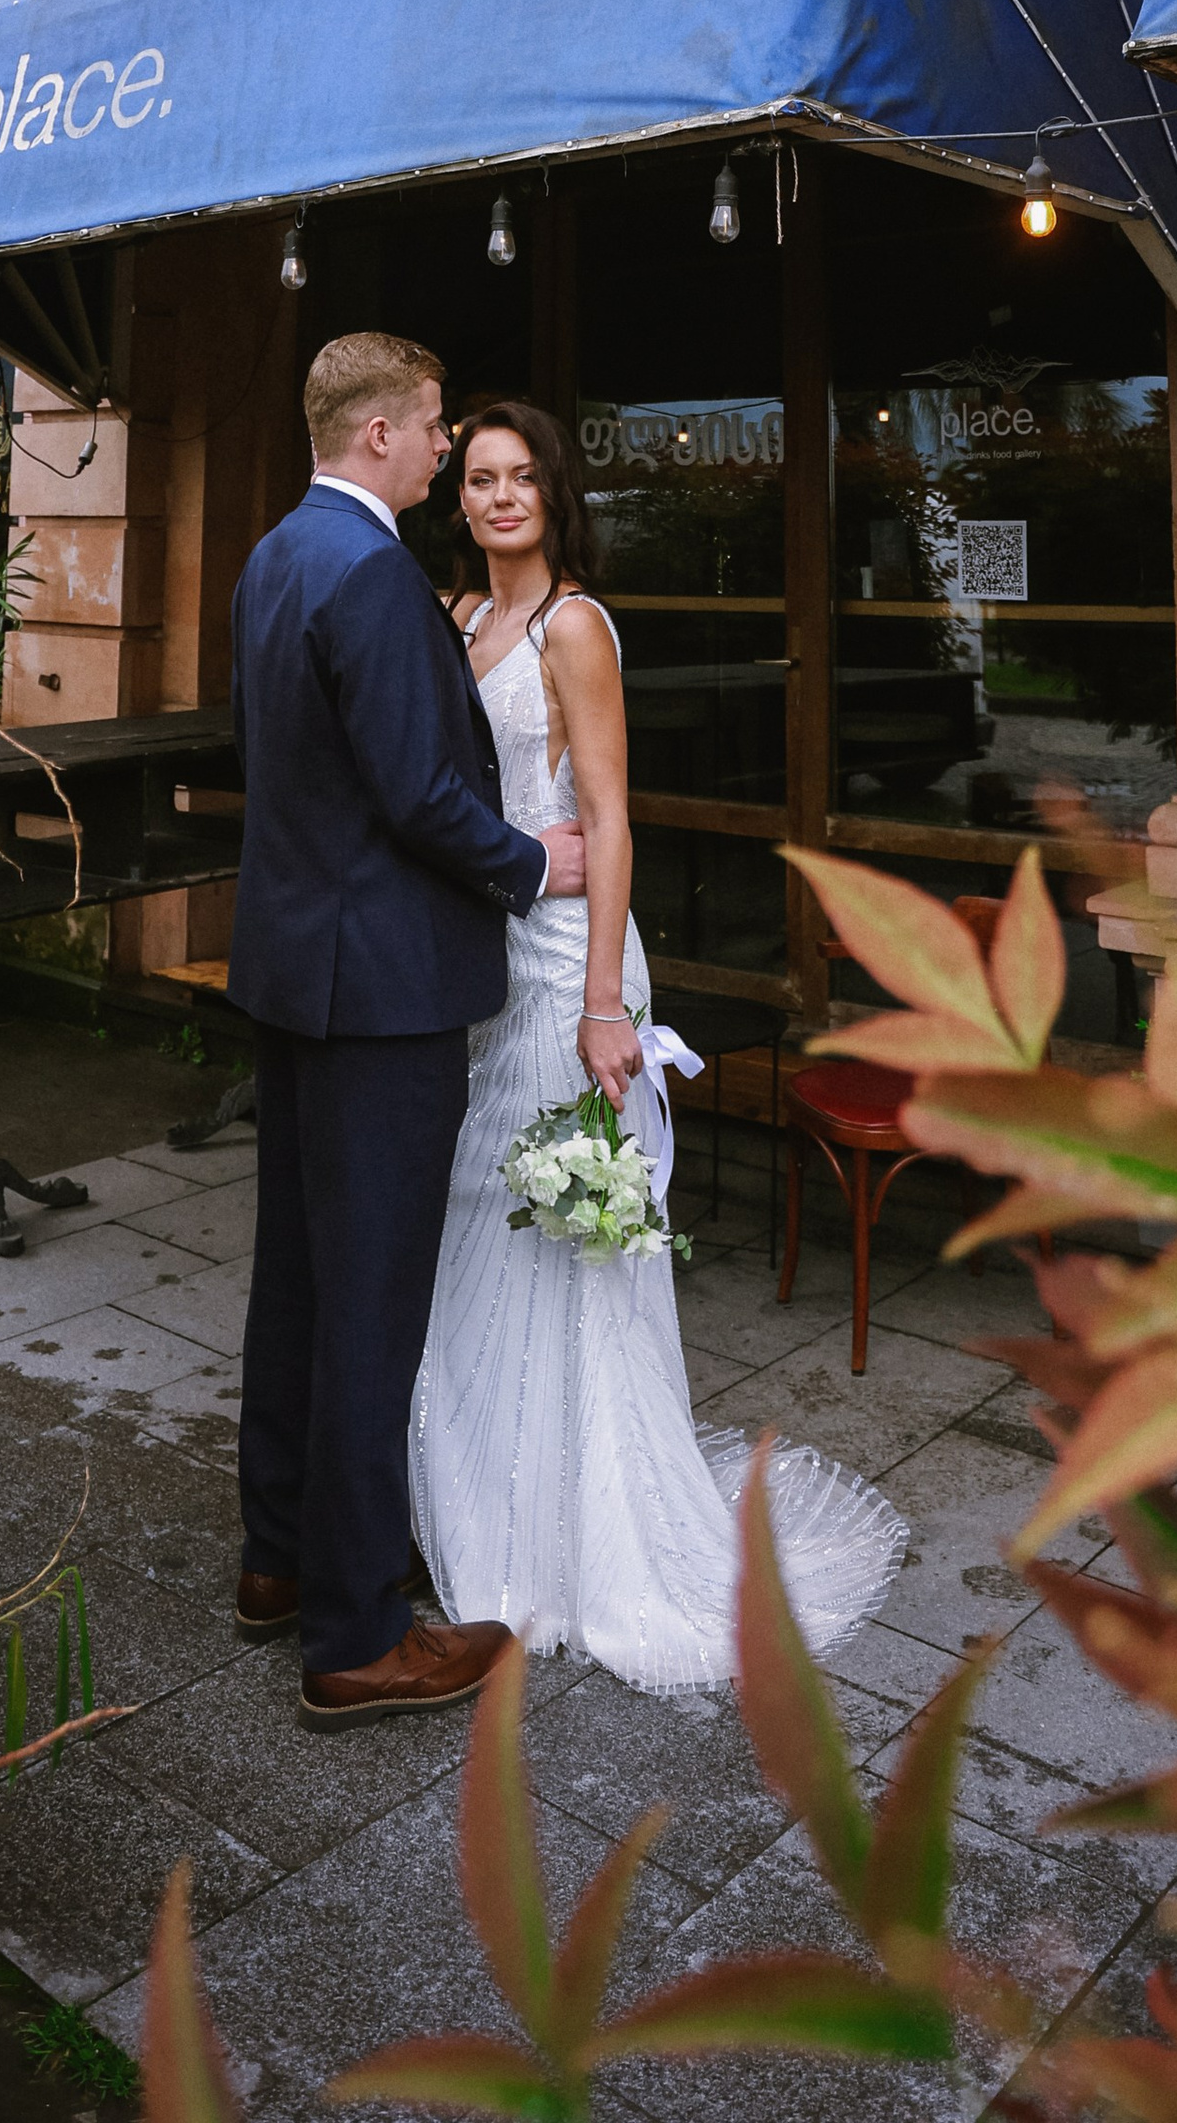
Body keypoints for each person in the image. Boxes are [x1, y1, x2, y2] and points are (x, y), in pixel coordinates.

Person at [411, 400, 904, 1688]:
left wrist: (605, 1003)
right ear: (456, 499)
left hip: (572, 958)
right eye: (480, 478)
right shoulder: (464, 621)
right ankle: (487, 1500)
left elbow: (614, 817)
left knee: (568, 1240)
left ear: (553, 494)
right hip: (487, 950)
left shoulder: (576, 626)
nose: (501, 495)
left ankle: (581, 1545)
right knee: (482, 1213)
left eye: (523, 476)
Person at [226, 332, 590, 1729]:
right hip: (382, 992)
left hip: (295, 976)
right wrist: (526, 864)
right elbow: (417, 793)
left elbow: (280, 764)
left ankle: (279, 1558)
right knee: (371, 1307)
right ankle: (357, 1631)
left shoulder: (276, 556)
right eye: (437, 428)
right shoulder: (375, 573)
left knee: (299, 1282)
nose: (445, 452)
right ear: (380, 432)